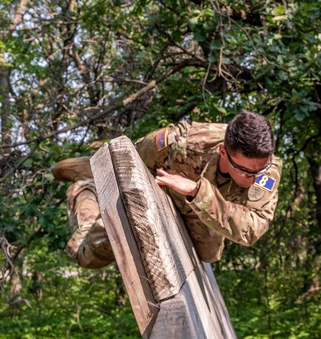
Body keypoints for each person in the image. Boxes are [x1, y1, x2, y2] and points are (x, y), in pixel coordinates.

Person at [52, 111, 282, 268]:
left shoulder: (267, 172)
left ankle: (92, 171)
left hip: (201, 212)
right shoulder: (184, 143)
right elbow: (134, 159)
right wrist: (108, 174)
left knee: (209, 255)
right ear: (223, 152)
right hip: (158, 194)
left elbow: (253, 228)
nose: (253, 179)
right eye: (245, 171)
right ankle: (86, 184)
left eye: (259, 171)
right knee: (89, 256)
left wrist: (196, 192)